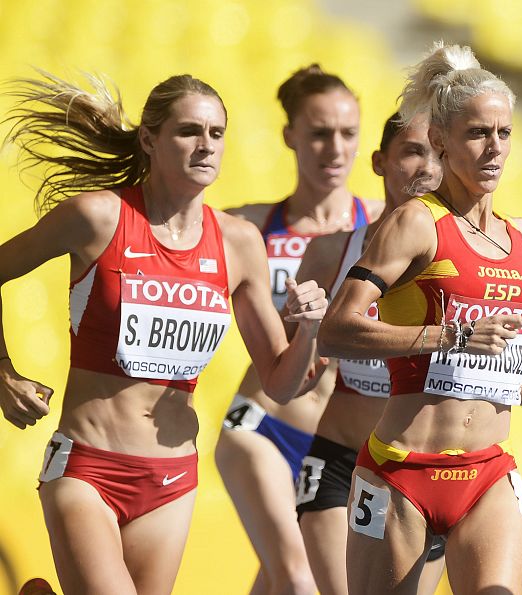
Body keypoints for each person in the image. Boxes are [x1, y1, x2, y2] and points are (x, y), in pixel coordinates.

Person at [0, 71, 327, 595]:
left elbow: (281, 383)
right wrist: (3, 373)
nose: (206, 146)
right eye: (189, 131)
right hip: (87, 467)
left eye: (217, 133)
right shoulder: (98, 216)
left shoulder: (239, 243)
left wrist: (309, 328)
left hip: (171, 479)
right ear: (150, 139)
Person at [317, 42, 522, 594]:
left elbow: (517, 333)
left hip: (488, 471)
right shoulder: (416, 223)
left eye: (504, 134)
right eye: (477, 133)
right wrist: (452, 336)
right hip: (401, 470)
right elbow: (336, 329)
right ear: (440, 140)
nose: (494, 149)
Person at [213, 64, 382, 595]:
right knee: (300, 577)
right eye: (319, 132)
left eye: (348, 133)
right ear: (289, 136)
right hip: (263, 425)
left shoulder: (382, 226)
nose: (335, 148)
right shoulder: (250, 225)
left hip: (333, 444)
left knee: (277, 581)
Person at [294, 111, 447, 595]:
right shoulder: (329, 253)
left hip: (426, 468)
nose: (426, 167)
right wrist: (303, 330)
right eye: (412, 151)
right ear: (380, 162)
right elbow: (292, 380)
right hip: (342, 463)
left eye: (439, 153)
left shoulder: (461, 258)